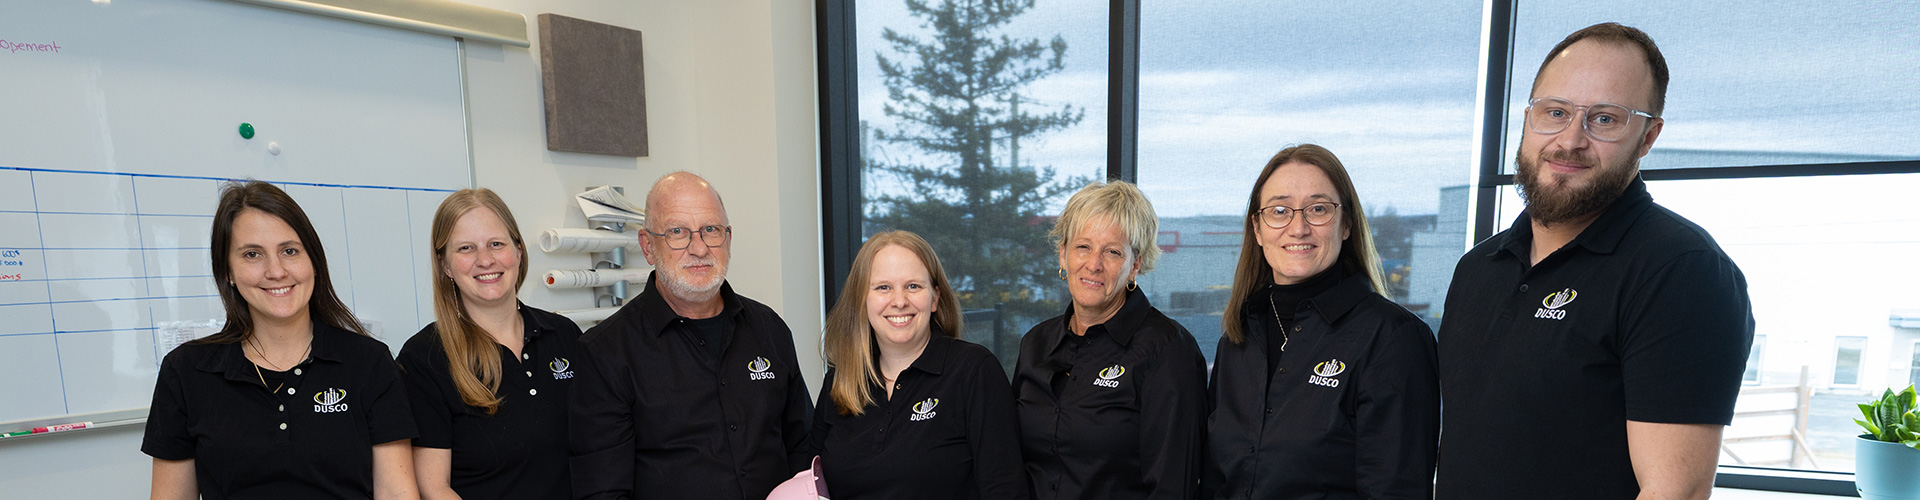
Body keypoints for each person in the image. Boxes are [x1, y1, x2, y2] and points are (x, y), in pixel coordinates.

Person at [1434, 22, 1754, 500]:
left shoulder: (1682, 271)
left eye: (1604, 119)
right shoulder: (1479, 267)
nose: (1570, 140)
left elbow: (1675, 491)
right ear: (1528, 118)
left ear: (1647, 137)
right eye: (1555, 112)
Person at [143, 180, 418, 499]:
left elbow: (397, 494)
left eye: (289, 251)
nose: (276, 271)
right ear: (228, 272)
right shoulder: (186, 372)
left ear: (313, 261)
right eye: (252, 254)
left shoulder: (370, 362)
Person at [1200, 144, 1439, 499]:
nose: (1298, 228)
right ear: (1258, 229)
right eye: (1279, 211)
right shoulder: (1238, 337)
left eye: (1318, 209)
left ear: (1346, 225)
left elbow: (1396, 489)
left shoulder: (1393, 338)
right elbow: (1215, 481)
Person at [568, 171, 812, 500]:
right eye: (677, 232)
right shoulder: (606, 353)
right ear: (648, 246)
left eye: (710, 230)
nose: (698, 248)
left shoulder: (769, 328)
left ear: (728, 238)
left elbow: (803, 450)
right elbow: (603, 491)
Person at [1013, 180, 1207, 500]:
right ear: (1062, 254)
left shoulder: (1167, 350)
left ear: (1135, 265)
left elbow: (1172, 487)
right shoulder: (1036, 343)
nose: (1094, 264)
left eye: (1113, 252)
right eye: (1083, 246)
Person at [806, 230, 1028, 500]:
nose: (899, 302)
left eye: (913, 286)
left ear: (935, 298)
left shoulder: (974, 371)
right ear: (862, 300)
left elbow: (1005, 490)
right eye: (883, 287)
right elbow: (811, 487)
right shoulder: (840, 380)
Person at [397, 188, 582, 499]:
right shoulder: (424, 358)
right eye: (466, 248)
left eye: (496, 244)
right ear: (445, 265)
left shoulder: (564, 335)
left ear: (518, 251)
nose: (485, 260)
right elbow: (433, 487)